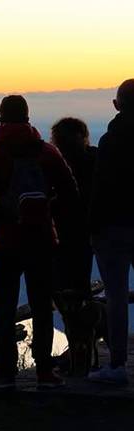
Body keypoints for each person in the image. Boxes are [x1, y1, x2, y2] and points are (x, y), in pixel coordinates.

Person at [0, 95, 79, 389]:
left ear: (0, 118)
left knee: (3, 309)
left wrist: (2, 218)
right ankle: (44, 370)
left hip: (5, 244)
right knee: (42, 307)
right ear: (28, 118)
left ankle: (5, 372)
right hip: (42, 241)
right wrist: (45, 212)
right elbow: (70, 192)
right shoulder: (47, 152)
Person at [88, 79, 134, 385]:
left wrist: (94, 227)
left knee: (115, 295)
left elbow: (100, 189)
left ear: (117, 105)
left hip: (113, 228)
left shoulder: (110, 140)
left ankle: (117, 365)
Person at [50, 118, 97, 296]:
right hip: (86, 232)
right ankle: (82, 319)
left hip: (58, 233)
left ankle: (72, 320)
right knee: (81, 281)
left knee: (59, 287)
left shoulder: (53, 163)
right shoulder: (95, 160)